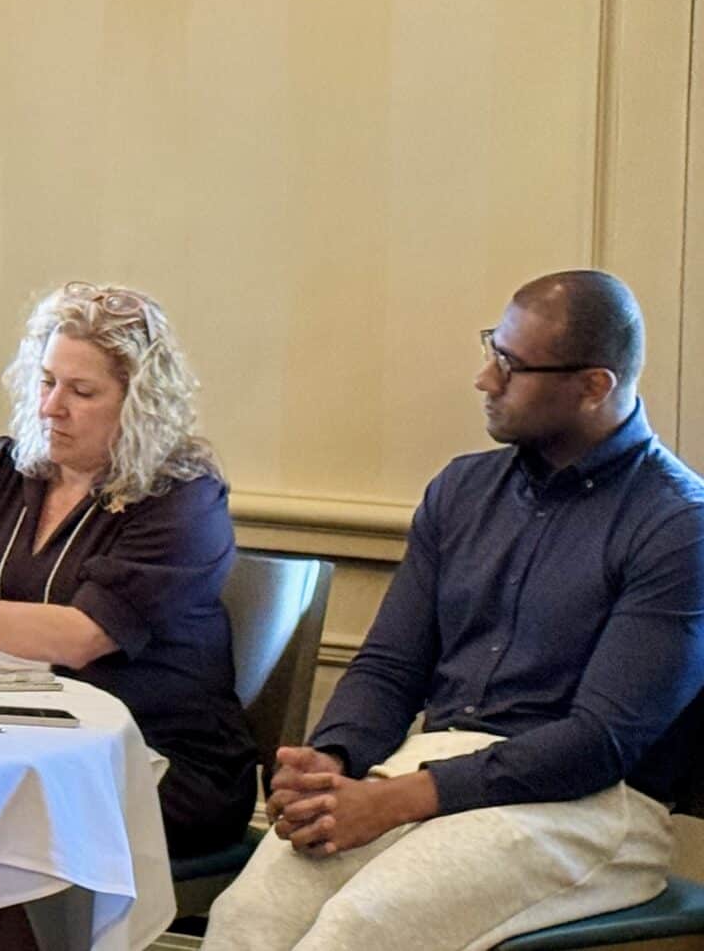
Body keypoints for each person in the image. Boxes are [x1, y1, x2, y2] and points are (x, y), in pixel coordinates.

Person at [205, 271, 704, 951]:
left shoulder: (680, 525)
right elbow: (388, 667)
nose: (484, 379)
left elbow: (601, 743)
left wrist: (395, 798)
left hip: (595, 804)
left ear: (595, 387)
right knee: (246, 919)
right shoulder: (461, 490)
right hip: (432, 770)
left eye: (511, 364)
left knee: (359, 932)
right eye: (491, 349)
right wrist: (335, 758)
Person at [0, 282, 256, 856]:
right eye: (46, 381)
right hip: (13, 737)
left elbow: (83, 637)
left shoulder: (183, 497)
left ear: (139, 403)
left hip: (153, 759)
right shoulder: (12, 469)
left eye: (81, 391)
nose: (50, 407)